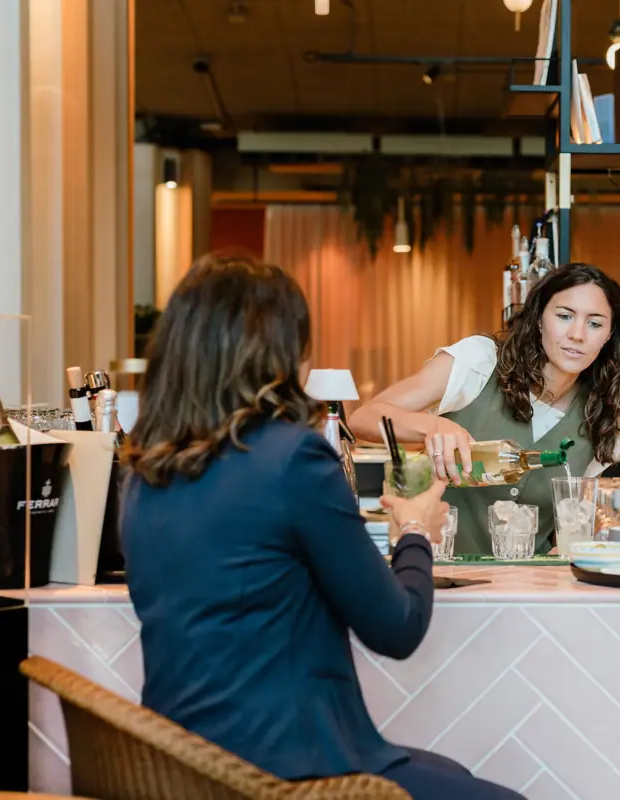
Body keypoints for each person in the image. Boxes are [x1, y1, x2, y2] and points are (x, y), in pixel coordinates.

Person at [120, 253, 523, 799]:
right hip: (291, 767)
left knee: (455, 779)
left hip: (178, 761)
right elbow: (397, 628)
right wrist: (414, 532)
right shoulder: (293, 458)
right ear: (276, 352)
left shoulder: (145, 471)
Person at [351, 263, 620, 554]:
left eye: (595, 323)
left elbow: (570, 524)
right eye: (564, 316)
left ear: (609, 335)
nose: (577, 334)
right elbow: (363, 418)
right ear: (539, 319)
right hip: (435, 578)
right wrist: (433, 426)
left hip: (529, 590)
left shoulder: (604, 419)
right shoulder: (480, 362)